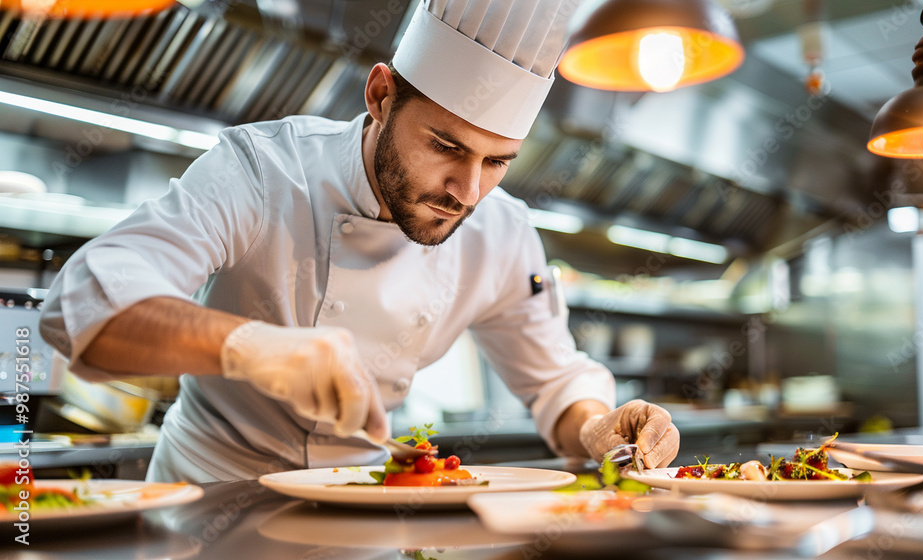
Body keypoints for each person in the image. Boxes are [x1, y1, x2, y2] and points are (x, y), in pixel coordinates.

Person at [39, 0, 680, 483]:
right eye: (445, 146)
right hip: (209, 505)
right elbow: (83, 305)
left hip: (367, 511)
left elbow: (554, 381)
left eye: (498, 161)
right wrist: (250, 347)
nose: (467, 190)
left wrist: (600, 427)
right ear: (380, 95)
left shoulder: (502, 230)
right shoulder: (264, 171)